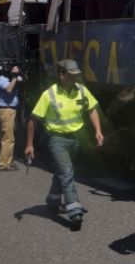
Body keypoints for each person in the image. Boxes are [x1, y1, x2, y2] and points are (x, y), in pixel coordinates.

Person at [24, 59, 104, 231]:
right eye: (72, 75)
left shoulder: (82, 90)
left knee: (62, 171)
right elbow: (33, 120)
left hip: (76, 139)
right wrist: (29, 144)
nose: (76, 78)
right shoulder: (49, 94)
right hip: (56, 139)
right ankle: (74, 211)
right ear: (61, 75)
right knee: (67, 173)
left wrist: (98, 130)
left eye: (77, 75)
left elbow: (92, 109)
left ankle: (53, 200)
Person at [0, 63, 23, 171]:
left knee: (5, 137)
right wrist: (15, 76)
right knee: (8, 138)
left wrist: (17, 76)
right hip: (6, 110)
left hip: (9, 110)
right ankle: (4, 165)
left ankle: (6, 161)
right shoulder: (1, 79)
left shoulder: (9, 79)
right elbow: (9, 89)